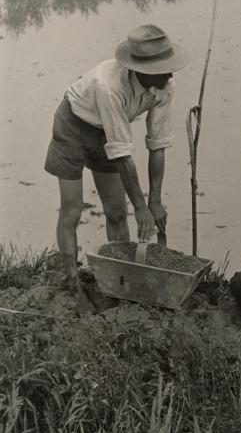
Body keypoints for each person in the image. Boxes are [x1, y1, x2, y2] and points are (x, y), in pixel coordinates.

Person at [44, 24, 189, 312]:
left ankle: (122, 280)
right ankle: (74, 283)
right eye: (163, 69)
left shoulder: (164, 86)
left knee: (117, 211)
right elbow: (122, 155)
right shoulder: (107, 86)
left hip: (108, 132)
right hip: (74, 126)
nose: (170, 74)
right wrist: (141, 206)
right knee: (72, 211)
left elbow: (157, 144)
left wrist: (155, 201)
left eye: (170, 67)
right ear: (141, 70)